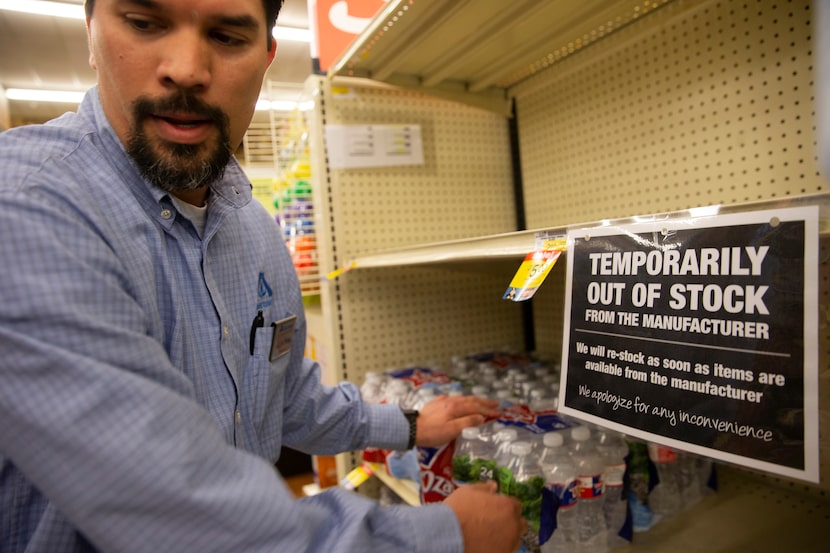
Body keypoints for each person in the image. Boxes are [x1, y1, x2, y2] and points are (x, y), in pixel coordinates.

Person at [0, 0, 527, 552]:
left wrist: (412, 424)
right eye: (145, 22)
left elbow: (284, 400)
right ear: (91, 33)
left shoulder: (249, 226)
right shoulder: (29, 208)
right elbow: (184, 521)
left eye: (227, 36)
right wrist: (445, 536)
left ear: (267, 56)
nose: (186, 68)